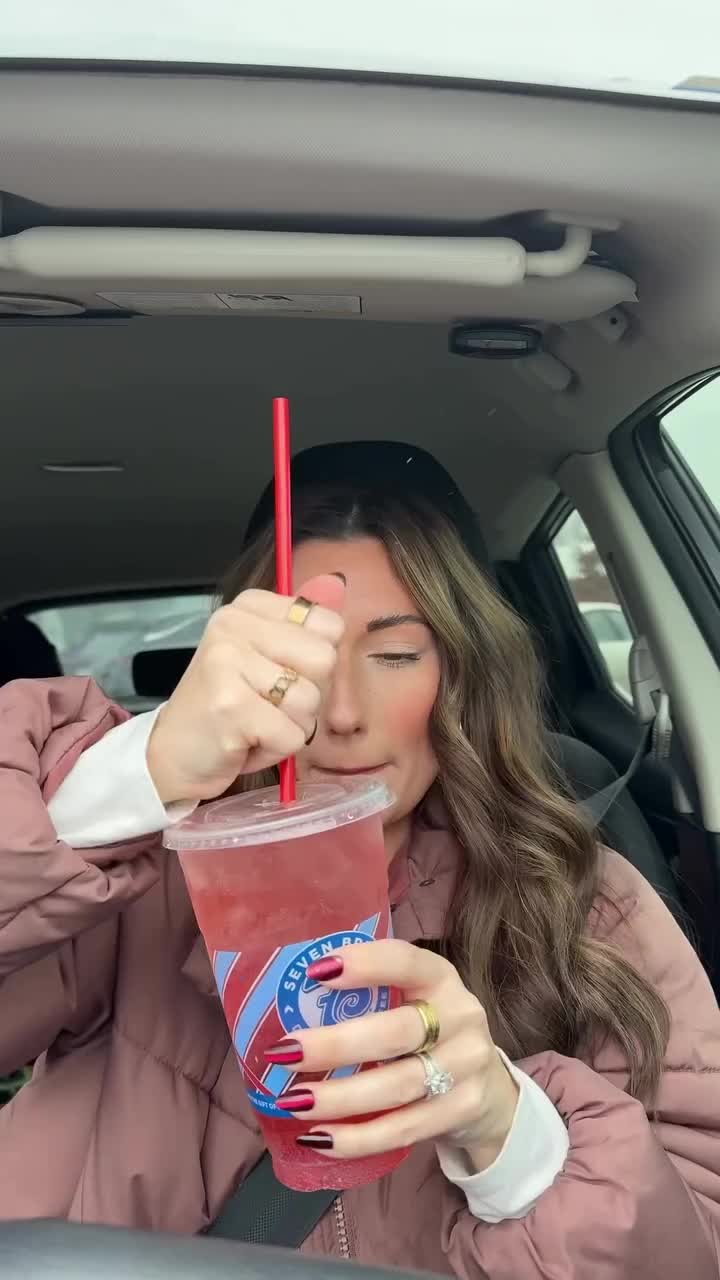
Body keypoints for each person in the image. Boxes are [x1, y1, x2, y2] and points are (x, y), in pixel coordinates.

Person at [1, 440, 719, 1280]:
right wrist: (136, 775)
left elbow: (694, 1244)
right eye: (295, 662)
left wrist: (512, 1137)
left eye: (395, 655)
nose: (340, 713)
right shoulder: (133, 876)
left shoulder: (589, 902)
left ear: (462, 672)